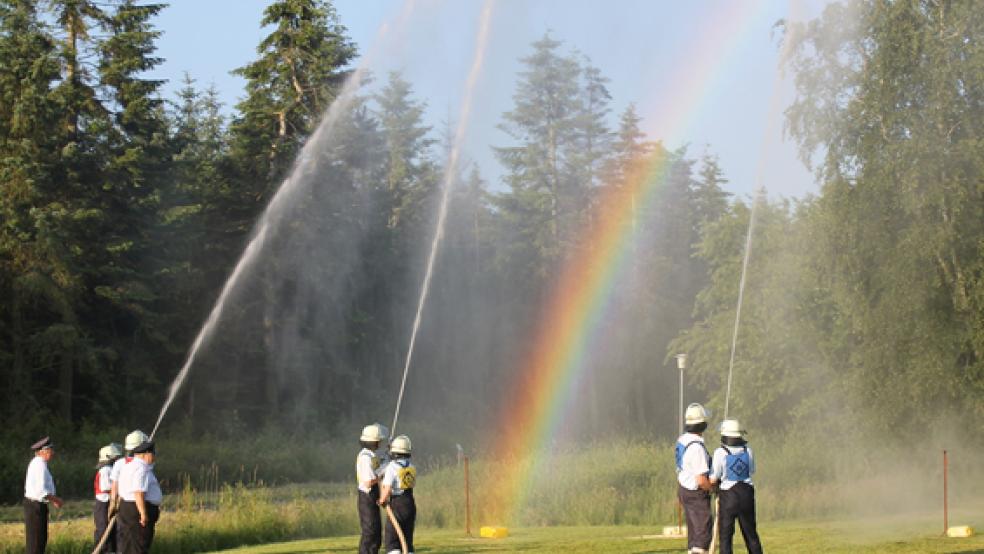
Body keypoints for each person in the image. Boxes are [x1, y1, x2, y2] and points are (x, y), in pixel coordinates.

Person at [710, 419, 763, 554]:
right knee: (751, 535)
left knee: (726, 537)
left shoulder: (720, 452)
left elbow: (714, 478)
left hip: (728, 496)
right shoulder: (748, 450)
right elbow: (751, 471)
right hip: (746, 494)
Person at [675, 403, 713, 554]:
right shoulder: (697, 448)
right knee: (702, 534)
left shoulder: (682, 439)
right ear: (702, 424)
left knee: (694, 533)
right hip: (695, 493)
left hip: (684, 489)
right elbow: (701, 480)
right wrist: (712, 489)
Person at [117, 440, 162, 554]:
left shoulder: (127, 466)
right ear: (146, 454)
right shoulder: (142, 468)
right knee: (139, 544)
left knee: (128, 544)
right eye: (153, 454)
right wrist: (143, 514)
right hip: (137, 508)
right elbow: (139, 492)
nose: (154, 457)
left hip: (127, 507)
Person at [24, 436, 63, 554]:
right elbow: (41, 491)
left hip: (36, 506)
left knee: (39, 541)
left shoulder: (40, 463)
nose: (53, 453)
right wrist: (55, 500)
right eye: (50, 450)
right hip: (35, 506)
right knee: (36, 543)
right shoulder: (39, 464)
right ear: (43, 451)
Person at [378, 435, 416, 554]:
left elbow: (387, 488)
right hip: (410, 503)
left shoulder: (392, 467)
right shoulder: (411, 466)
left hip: (397, 504)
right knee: (407, 538)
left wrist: (382, 500)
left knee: (392, 539)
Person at [111, 430, 148, 548]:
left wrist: (113, 503)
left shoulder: (119, 463)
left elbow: (114, 485)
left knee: (124, 536)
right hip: (135, 504)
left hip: (123, 503)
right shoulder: (142, 463)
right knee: (135, 539)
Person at [356, 423, 385, 554]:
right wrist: (381, 477)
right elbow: (368, 482)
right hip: (367, 498)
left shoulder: (372, 455)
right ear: (373, 442)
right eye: (379, 440)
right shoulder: (366, 458)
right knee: (370, 532)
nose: (380, 443)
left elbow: (379, 466)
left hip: (372, 496)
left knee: (376, 532)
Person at [94, 444, 120, 552]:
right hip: (103, 504)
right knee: (104, 530)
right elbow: (105, 487)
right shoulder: (106, 470)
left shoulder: (110, 469)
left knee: (112, 530)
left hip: (108, 503)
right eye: (115, 457)